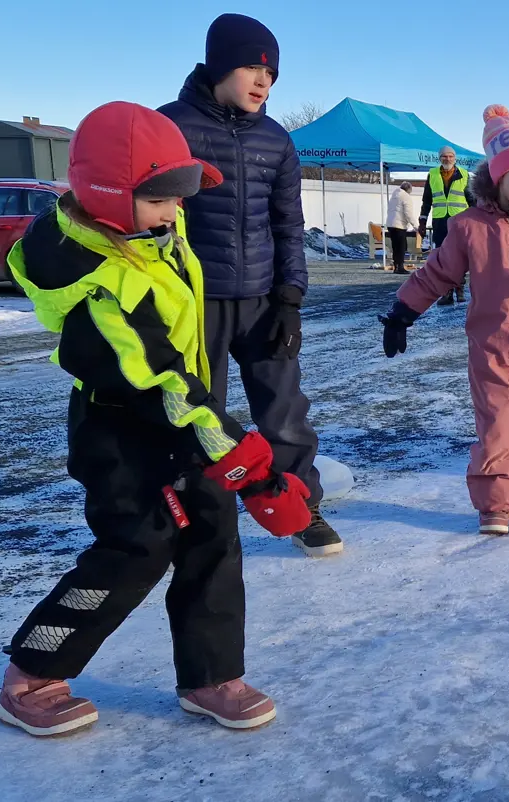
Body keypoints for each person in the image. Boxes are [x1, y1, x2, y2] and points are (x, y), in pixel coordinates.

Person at [0, 102, 310, 737]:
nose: (174, 212)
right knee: (139, 544)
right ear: (105, 194)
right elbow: (157, 378)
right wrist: (247, 462)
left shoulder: (148, 233)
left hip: (180, 415)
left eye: (179, 196)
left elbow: (179, 366)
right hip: (119, 429)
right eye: (159, 198)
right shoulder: (98, 286)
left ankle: (210, 673)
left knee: (212, 530)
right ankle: (31, 671)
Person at [159, 13, 341, 558]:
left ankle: (301, 508)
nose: (263, 81)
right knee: (199, 412)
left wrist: (290, 299)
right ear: (219, 65)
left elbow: (288, 225)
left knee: (283, 411)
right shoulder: (170, 129)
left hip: (263, 299)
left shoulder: (276, 140)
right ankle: (200, 517)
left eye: (271, 74)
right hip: (197, 301)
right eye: (251, 67)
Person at [378, 106, 509, 535]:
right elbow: (437, 273)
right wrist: (403, 311)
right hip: (491, 348)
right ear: (497, 177)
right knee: (496, 426)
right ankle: (495, 504)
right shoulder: (468, 227)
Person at [421, 146, 474, 305]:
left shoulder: (464, 175)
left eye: (451, 156)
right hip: (440, 222)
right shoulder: (432, 174)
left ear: (455, 158)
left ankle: (460, 289)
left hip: (459, 223)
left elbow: (472, 201)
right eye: (444, 156)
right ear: (439, 158)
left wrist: (475, 222)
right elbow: (427, 201)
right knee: (443, 258)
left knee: (460, 257)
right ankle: (447, 293)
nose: (448, 159)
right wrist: (422, 221)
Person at [386, 181, 418, 273]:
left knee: (395, 247)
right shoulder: (406, 197)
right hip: (399, 225)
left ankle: (396, 266)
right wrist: (415, 226)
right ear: (409, 190)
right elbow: (408, 214)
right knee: (401, 247)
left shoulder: (394, 196)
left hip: (390, 224)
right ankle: (400, 267)